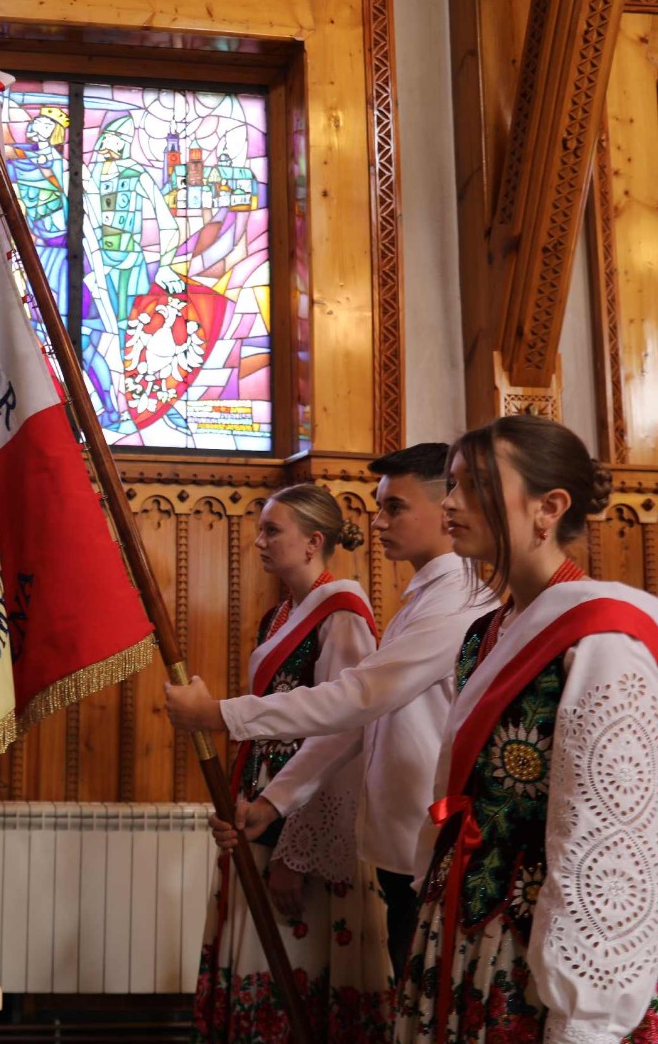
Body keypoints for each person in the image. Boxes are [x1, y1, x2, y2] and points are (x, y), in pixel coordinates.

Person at [166, 445, 497, 982]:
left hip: (425, 830)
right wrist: (274, 801)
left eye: (395, 507)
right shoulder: (423, 597)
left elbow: (357, 697)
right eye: (380, 506)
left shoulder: (455, 601)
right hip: (400, 837)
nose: (377, 522)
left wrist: (218, 715)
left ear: (447, 509)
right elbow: (361, 722)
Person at [391, 415, 658, 1041]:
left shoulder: (604, 637)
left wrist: (585, 1012)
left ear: (549, 508)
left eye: (475, 485)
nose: (451, 502)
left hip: (537, 935)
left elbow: (609, 832)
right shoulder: (486, 630)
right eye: (452, 484)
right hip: (462, 916)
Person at [185, 483, 392, 1042]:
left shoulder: (343, 614)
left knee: (298, 964)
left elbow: (343, 736)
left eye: (272, 530)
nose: (260, 542)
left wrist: (295, 852)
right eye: (261, 530)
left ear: (313, 542)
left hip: (302, 825)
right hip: (264, 810)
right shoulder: (278, 615)